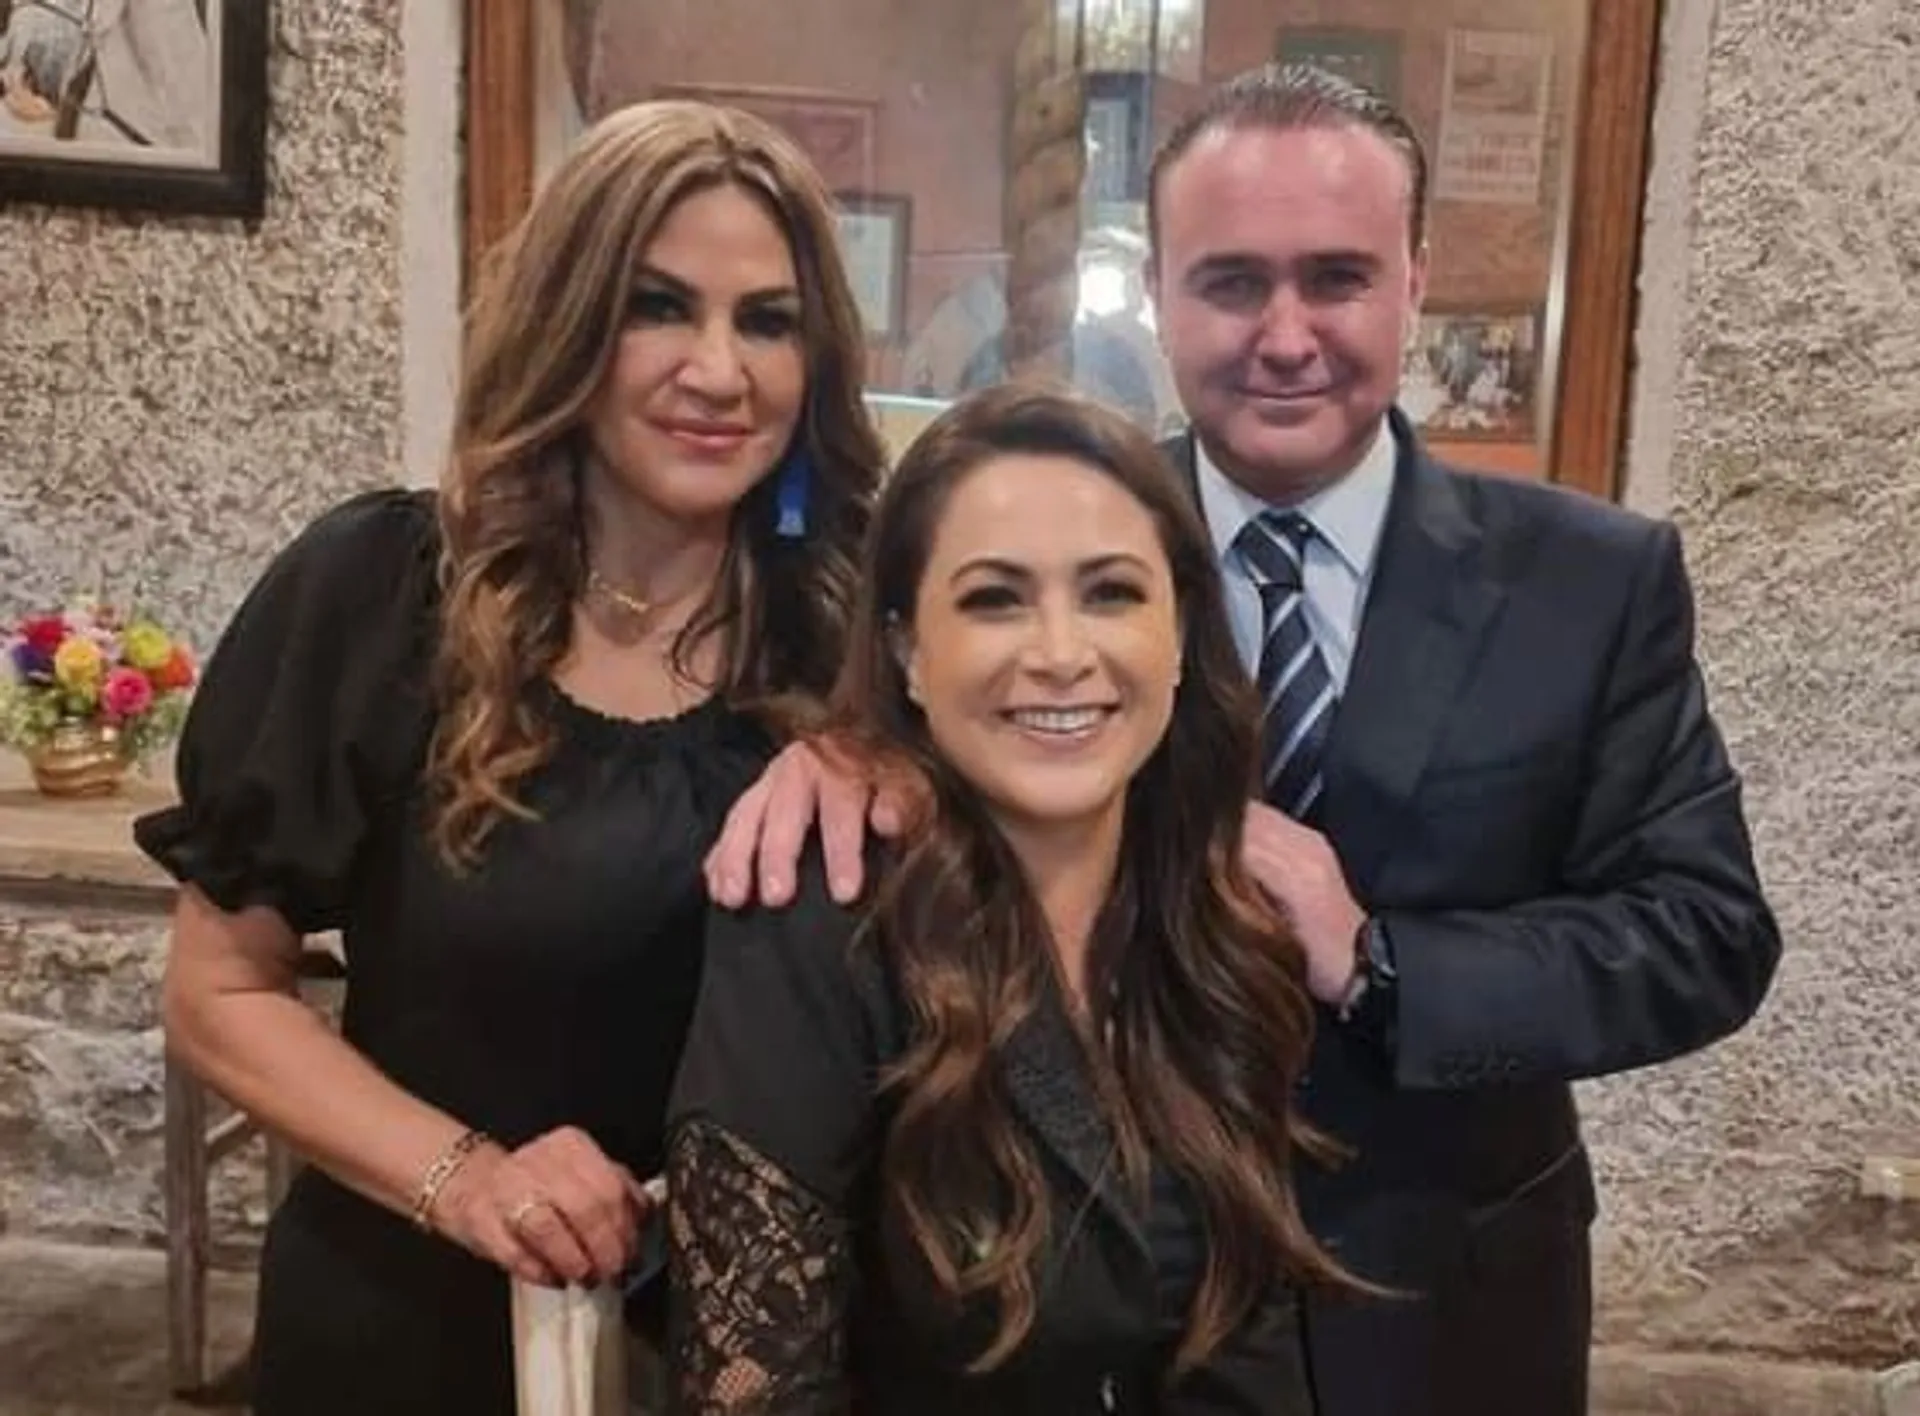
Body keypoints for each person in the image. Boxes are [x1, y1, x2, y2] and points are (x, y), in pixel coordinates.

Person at [701, 65, 1781, 1416]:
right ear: (1159, 293)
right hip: (1097, 1311)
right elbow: (946, 703)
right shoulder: (1065, 533)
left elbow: (1707, 934)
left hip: (1444, 1304)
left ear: (1413, 281)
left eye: (1336, 279)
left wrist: (1380, 962)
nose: (1285, 335)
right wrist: (853, 748)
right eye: (1230, 283)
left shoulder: (1592, 582)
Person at [133, 99, 885, 1414]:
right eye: (658, 307)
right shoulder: (385, 593)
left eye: (768, 321)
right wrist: (474, 1180)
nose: (720, 371)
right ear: (566, 322)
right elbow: (219, 993)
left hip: (772, 1361)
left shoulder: (866, 635)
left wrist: (900, 763)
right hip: (419, 1329)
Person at [666, 384, 1350, 1413]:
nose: (1062, 654)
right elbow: (753, 1390)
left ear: (1178, 634)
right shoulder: (820, 919)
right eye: (995, 599)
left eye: (1112, 593)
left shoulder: (1217, 917)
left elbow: (1250, 1346)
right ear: (908, 650)